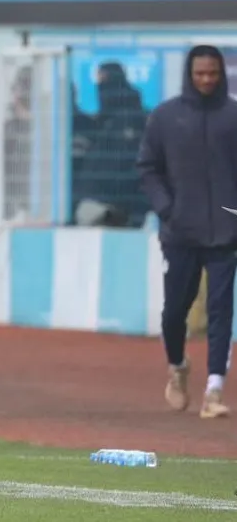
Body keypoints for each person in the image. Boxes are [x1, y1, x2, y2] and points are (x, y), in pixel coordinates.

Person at [137, 44, 237, 419]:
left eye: (212, 73)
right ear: (189, 74)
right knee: (173, 313)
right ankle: (178, 366)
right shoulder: (165, 117)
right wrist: (168, 209)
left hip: (227, 234)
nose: (206, 79)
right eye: (200, 74)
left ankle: (214, 389)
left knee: (221, 312)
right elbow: (148, 168)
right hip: (179, 234)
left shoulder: (233, 116)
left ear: (221, 73)